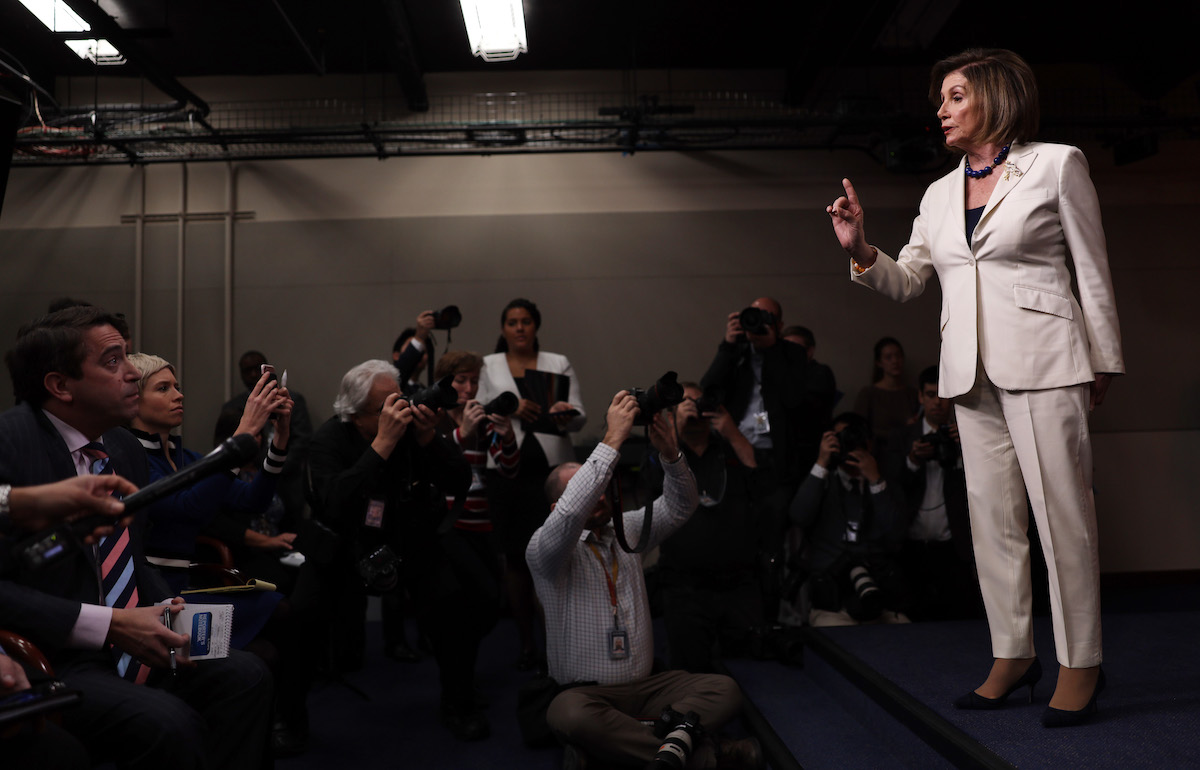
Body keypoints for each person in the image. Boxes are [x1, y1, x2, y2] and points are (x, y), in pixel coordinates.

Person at [827, 48, 1123, 725]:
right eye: (941, 99)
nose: (941, 110)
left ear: (997, 97)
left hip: (1047, 362)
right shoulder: (938, 193)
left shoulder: (1057, 165)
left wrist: (1103, 356)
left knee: (1064, 520)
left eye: (955, 96)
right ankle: (1013, 655)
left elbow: (1092, 268)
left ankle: (1081, 663)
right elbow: (909, 280)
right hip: (969, 375)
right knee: (992, 527)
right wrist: (860, 249)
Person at [0, 305, 273, 769]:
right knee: (168, 724)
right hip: (58, 652)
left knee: (246, 675)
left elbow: (131, 556)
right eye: (113, 361)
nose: (131, 372)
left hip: (132, 634)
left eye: (127, 356)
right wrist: (109, 624)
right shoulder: (12, 443)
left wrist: (166, 609)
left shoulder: (121, 446)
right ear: (61, 386)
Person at [528, 390, 755, 769]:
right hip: (588, 694)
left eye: (600, 487)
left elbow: (682, 505)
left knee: (723, 689)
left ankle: (615, 747)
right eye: (585, 490)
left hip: (650, 687)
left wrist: (671, 454)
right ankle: (701, 754)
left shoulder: (627, 529)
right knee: (566, 713)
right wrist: (612, 439)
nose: (598, 495)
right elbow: (569, 515)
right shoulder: (543, 548)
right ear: (557, 506)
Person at [306, 361, 486, 740]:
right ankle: (289, 717)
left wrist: (428, 437)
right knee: (302, 613)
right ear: (355, 413)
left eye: (399, 400)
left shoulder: (412, 432)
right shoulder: (329, 439)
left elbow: (459, 480)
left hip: (410, 538)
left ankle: (459, 703)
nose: (397, 411)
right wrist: (383, 443)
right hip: (348, 545)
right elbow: (334, 503)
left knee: (453, 608)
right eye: (385, 407)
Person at [475, 298, 585, 670]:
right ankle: (526, 643)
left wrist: (566, 414)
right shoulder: (488, 365)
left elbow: (580, 417)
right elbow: (477, 410)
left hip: (553, 472)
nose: (520, 328)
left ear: (536, 326)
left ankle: (561, 640)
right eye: (512, 322)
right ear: (503, 328)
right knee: (516, 558)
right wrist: (511, 407)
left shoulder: (558, 361)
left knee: (559, 556)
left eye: (526, 321)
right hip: (506, 473)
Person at [642, 382, 774, 673]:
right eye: (686, 402)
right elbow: (651, 488)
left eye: (700, 402)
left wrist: (732, 431)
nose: (695, 407)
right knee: (689, 669)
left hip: (739, 583)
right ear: (672, 414)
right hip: (683, 586)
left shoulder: (729, 448)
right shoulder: (663, 455)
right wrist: (673, 436)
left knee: (750, 670)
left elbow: (762, 486)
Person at [789, 413, 908, 626]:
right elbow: (799, 516)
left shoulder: (885, 483)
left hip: (878, 599)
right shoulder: (822, 482)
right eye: (842, 437)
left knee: (907, 637)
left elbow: (896, 535)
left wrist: (875, 481)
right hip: (833, 603)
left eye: (855, 436)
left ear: (869, 443)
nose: (850, 443)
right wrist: (821, 462)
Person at [886, 366, 979, 621]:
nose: (937, 402)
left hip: (954, 548)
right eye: (930, 395)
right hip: (911, 546)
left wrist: (965, 451)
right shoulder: (902, 437)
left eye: (943, 396)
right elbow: (890, 485)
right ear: (920, 397)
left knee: (959, 621)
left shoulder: (968, 437)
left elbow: (982, 489)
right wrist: (913, 459)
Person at [220, 349, 314, 522]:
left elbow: (302, 442)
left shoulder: (289, 401)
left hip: (286, 484)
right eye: (247, 371)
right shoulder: (233, 407)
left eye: (257, 369)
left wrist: (275, 468)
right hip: (246, 482)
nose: (253, 374)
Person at [853, 336, 918, 453]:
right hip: (878, 453)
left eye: (898, 356)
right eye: (888, 357)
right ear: (879, 362)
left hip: (908, 452)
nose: (895, 361)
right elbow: (859, 429)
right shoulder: (868, 393)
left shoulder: (912, 394)